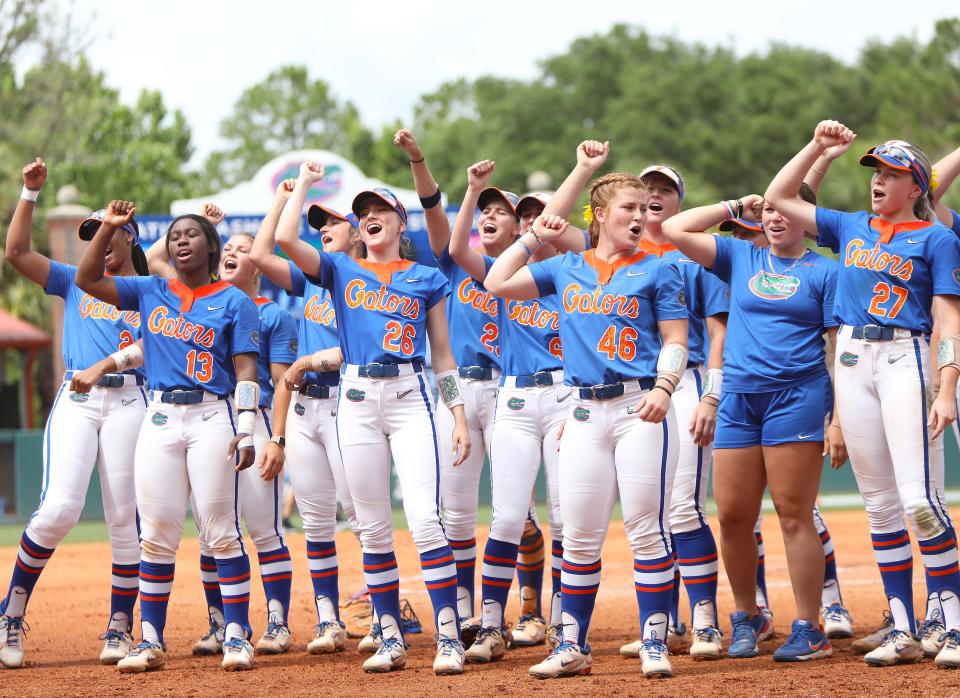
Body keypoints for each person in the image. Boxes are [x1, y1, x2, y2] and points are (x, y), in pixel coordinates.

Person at [765, 121, 960, 668]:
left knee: (918, 499)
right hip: (851, 359)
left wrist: (946, 388)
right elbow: (780, 195)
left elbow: (948, 318)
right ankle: (902, 626)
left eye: (892, 173)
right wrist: (817, 148)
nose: (878, 180)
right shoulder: (850, 225)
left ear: (917, 187)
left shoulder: (936, 238)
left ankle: (952, 622)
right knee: (879, 505)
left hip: (904, 356)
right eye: (875, 171)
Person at [486, 163, 689, 679]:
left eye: (645, 208)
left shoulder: (659, 267)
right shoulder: (567, 266)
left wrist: (666, 387)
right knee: (578, 534)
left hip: (639, 405)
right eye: (630, 207)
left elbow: (675, 339)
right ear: (599, 215)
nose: (641, 216)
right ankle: (571, 645)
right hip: (579, 410)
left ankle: (654, 640)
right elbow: (496, 280)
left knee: (647, 529)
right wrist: (533, 235)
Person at [275, 161, 471, 675]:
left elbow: (444, 354)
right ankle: (389, 636)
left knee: (427, 521)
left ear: (399, 223)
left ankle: (449, 636)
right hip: (356, 398)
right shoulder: (340, 268)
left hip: (410, 395)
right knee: (375, 528)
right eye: (363, 212)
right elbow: (282, 239)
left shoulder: (426, 277)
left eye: (380, 209)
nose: (370, 217)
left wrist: (459, 414)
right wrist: (305, 184)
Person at [76, 201, 261, 673]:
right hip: (158, 416)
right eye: (175, 234)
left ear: (211, 246)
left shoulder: (236, 301)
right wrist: (110, 229)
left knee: (221, 532)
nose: (181, 240)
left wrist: (245, 430)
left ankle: (237, 635)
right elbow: (87, 279)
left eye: (191, 234)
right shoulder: (151, 289)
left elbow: (245, 369)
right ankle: (151, 640)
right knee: (156, 536)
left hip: (212, 416)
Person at [662, 182, 841, 663]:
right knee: (734, 516)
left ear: (807, 217)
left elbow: (840, 348)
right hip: (739, 398)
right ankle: (748, 616)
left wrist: (838, 418)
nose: (775, 217)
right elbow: (673, 227)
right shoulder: (739, 257)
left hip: (797, 398)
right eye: (769, 211)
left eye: (786, 210)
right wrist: (735, 207)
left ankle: (809, 626)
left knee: (792, 513)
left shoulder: (826, 271)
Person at [445, 150, 592, 663]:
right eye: (524, 216)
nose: (532, 222)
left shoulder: (580, 272)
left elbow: (582, 235)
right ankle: (489, 625)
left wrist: (581, 171)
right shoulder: (508, 275)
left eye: (539, 215)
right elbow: (458, 250)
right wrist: (470, 193)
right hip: (513, 396)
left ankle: (562, 624)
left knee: (568, 519)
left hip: (565, 398)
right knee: (507, 517)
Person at [0, 159, 147, 668]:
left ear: (129, 235)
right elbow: (16, 252)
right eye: (90, 232)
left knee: (125, 519)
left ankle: (119, 625)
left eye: (108, 231)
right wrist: (29, 192)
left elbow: (156, 346)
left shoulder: (153, 289)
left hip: (130, 398)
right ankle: (11, 612)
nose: (99, 240)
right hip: (79, 399)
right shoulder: (72, 280)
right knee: (59, 507)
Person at [611, 164, 729, 660]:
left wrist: (711, 394)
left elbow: (719, 331)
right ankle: (663, 621)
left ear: (680, 202)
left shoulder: (694, 253)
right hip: (633, 390)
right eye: (646, 192)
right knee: (649, 513)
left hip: (687, 381)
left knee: (683, 507)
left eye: (665, 191)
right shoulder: (616, 259)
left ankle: (705, 620)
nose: (654, 198)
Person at [249, 179, 372, 655]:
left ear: (359, 231)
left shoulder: (371, 279)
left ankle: (381, 615)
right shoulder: (312, 280)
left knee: (362, 518)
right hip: (304, 410)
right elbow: (262, 254)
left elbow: (367, 349)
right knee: (317, 521)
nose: (322, 228)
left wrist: (310, 361)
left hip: (349, 401)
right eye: (318, 223)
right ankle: (328, 620)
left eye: (332, 222)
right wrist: (282, 199)